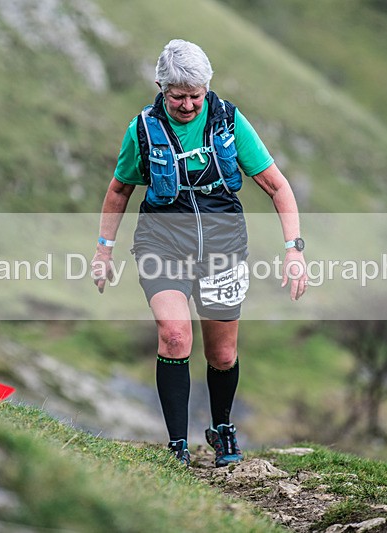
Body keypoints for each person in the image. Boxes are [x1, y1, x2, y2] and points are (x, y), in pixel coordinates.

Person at [91, 39, 307, 467]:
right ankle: (177, 446)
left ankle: (222, 427)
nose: (188, 105)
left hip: (223, 247)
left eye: (196, 95)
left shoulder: (228, 120)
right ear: (160, 87)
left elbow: (278, 186)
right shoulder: (143, 129)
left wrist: (294, 249)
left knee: (222, 354)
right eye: (178, 97)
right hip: (162, 241)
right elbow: (119, 190)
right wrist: (103, 250)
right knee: (174, 336)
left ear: (207, 88)